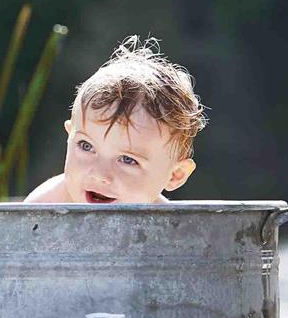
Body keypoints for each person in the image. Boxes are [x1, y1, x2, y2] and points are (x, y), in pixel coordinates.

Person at [24, 36, 207, 205]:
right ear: (69, 136)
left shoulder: (169, 229)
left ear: (175, 175)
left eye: (127, 160)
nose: (99, 174)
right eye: (86, 146)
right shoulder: (43, 208)